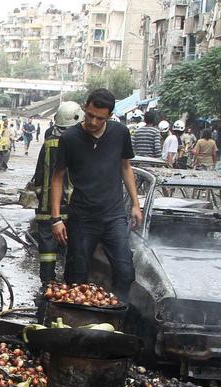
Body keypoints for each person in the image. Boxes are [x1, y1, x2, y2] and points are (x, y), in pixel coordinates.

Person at [50, 88, 142, 297]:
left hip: (114, 215)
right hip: (82, 217)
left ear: (109, 116)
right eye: (89, 115)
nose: (92, 122)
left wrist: (136, 204)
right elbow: (57, 177)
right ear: (85, 107)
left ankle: (117, 314)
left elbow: (126, 167)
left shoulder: (120, 133)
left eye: (99, 118)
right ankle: (74, 320)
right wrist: (56, 219)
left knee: (125, 271)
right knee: (76, 275)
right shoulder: (70, 138)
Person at [29, 101, 82, 283]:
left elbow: (39, 173)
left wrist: (40, 193)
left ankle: (48, 283)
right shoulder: (80, 142)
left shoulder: (49, 140)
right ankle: (70, 285)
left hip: (47, 207)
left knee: (47, 249)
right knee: (72, 248)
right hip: (72, 205)